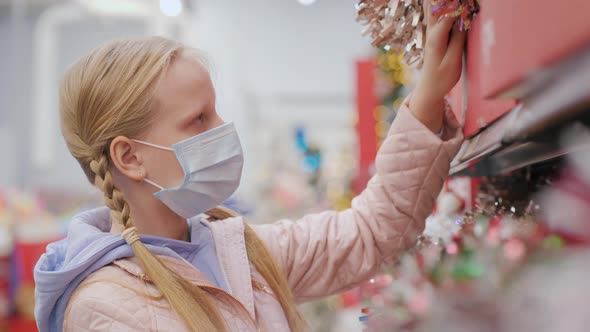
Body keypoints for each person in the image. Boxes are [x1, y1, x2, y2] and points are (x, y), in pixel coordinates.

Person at [34, 10, 465, 332]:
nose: (222, 129)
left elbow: (371, 233)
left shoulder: (239, 248)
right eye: (199, 119)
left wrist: (427, 98)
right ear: (129, 157)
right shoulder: (106, 307)